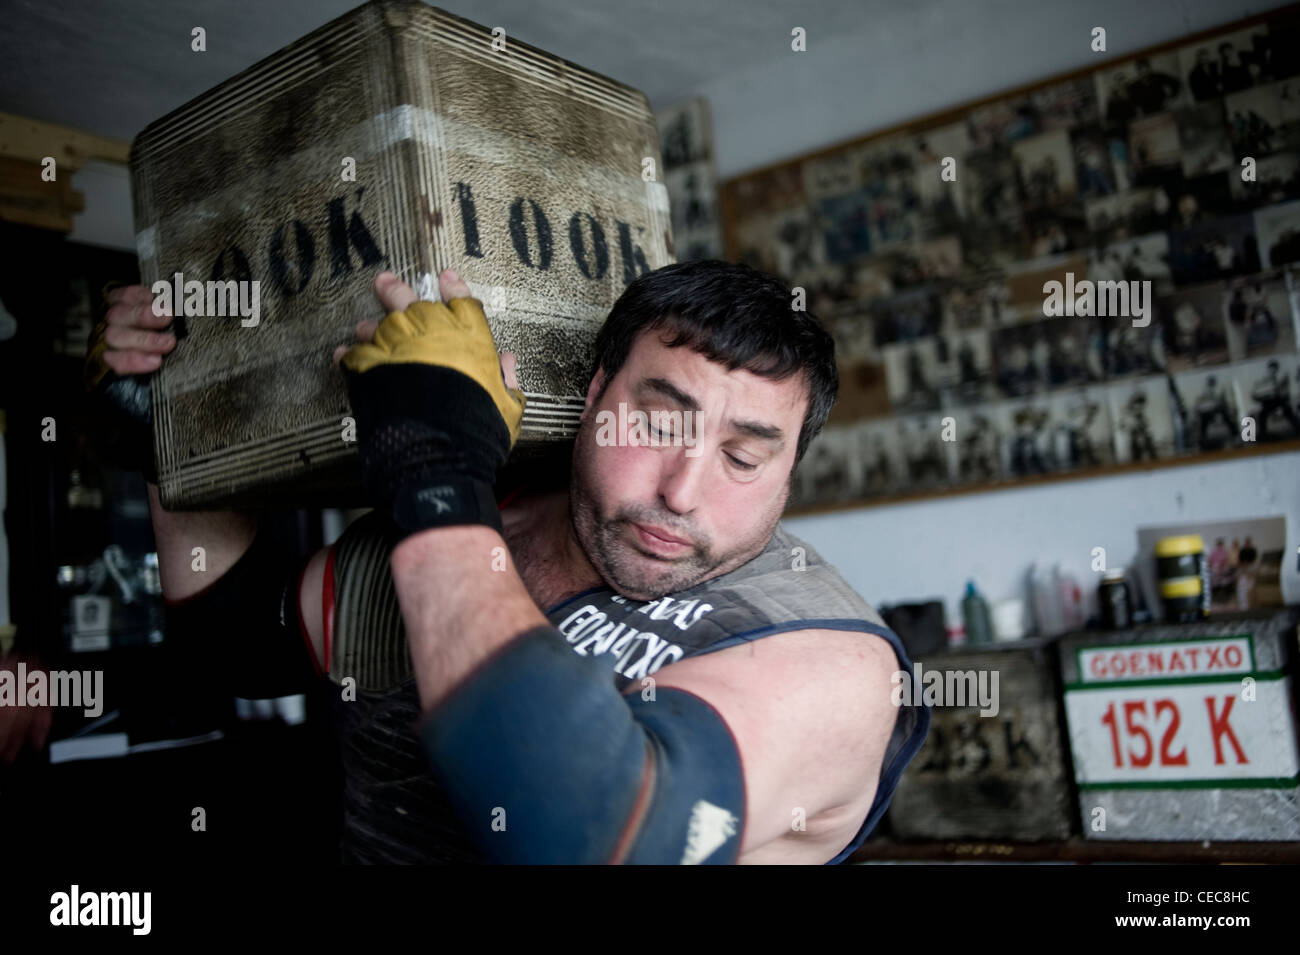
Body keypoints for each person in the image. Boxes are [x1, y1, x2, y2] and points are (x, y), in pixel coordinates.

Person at [85, 260, 930, 865]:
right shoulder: (494, 526)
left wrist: (435, 470)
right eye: (658, 424)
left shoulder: (832, 664)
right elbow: (240, 640)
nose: (683, 491)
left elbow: (587, 834)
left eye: (744, 459)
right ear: (596, 395)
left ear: (788, 476)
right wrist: (173, 424)